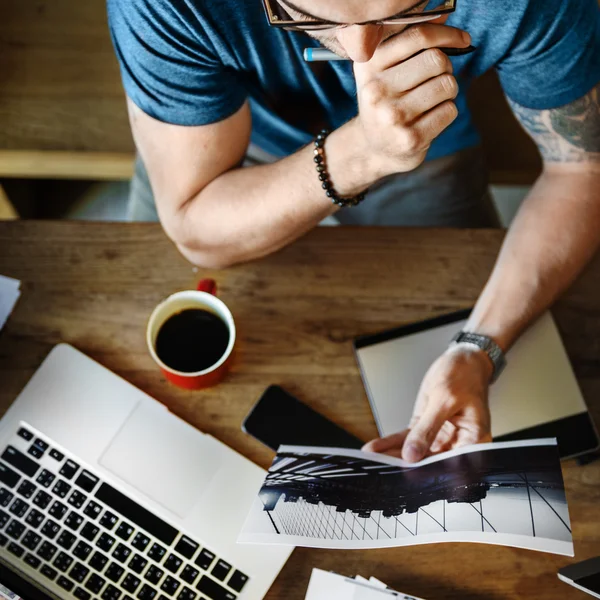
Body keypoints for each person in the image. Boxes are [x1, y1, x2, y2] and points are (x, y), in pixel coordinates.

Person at [107, 0, 600, 463]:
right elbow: (194, 226)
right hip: (218, 146)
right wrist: (363, 153)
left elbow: (584, 172)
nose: (361, 56)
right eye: (305, 15)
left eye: (407, 11)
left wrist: (480, 349)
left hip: (429, 132)